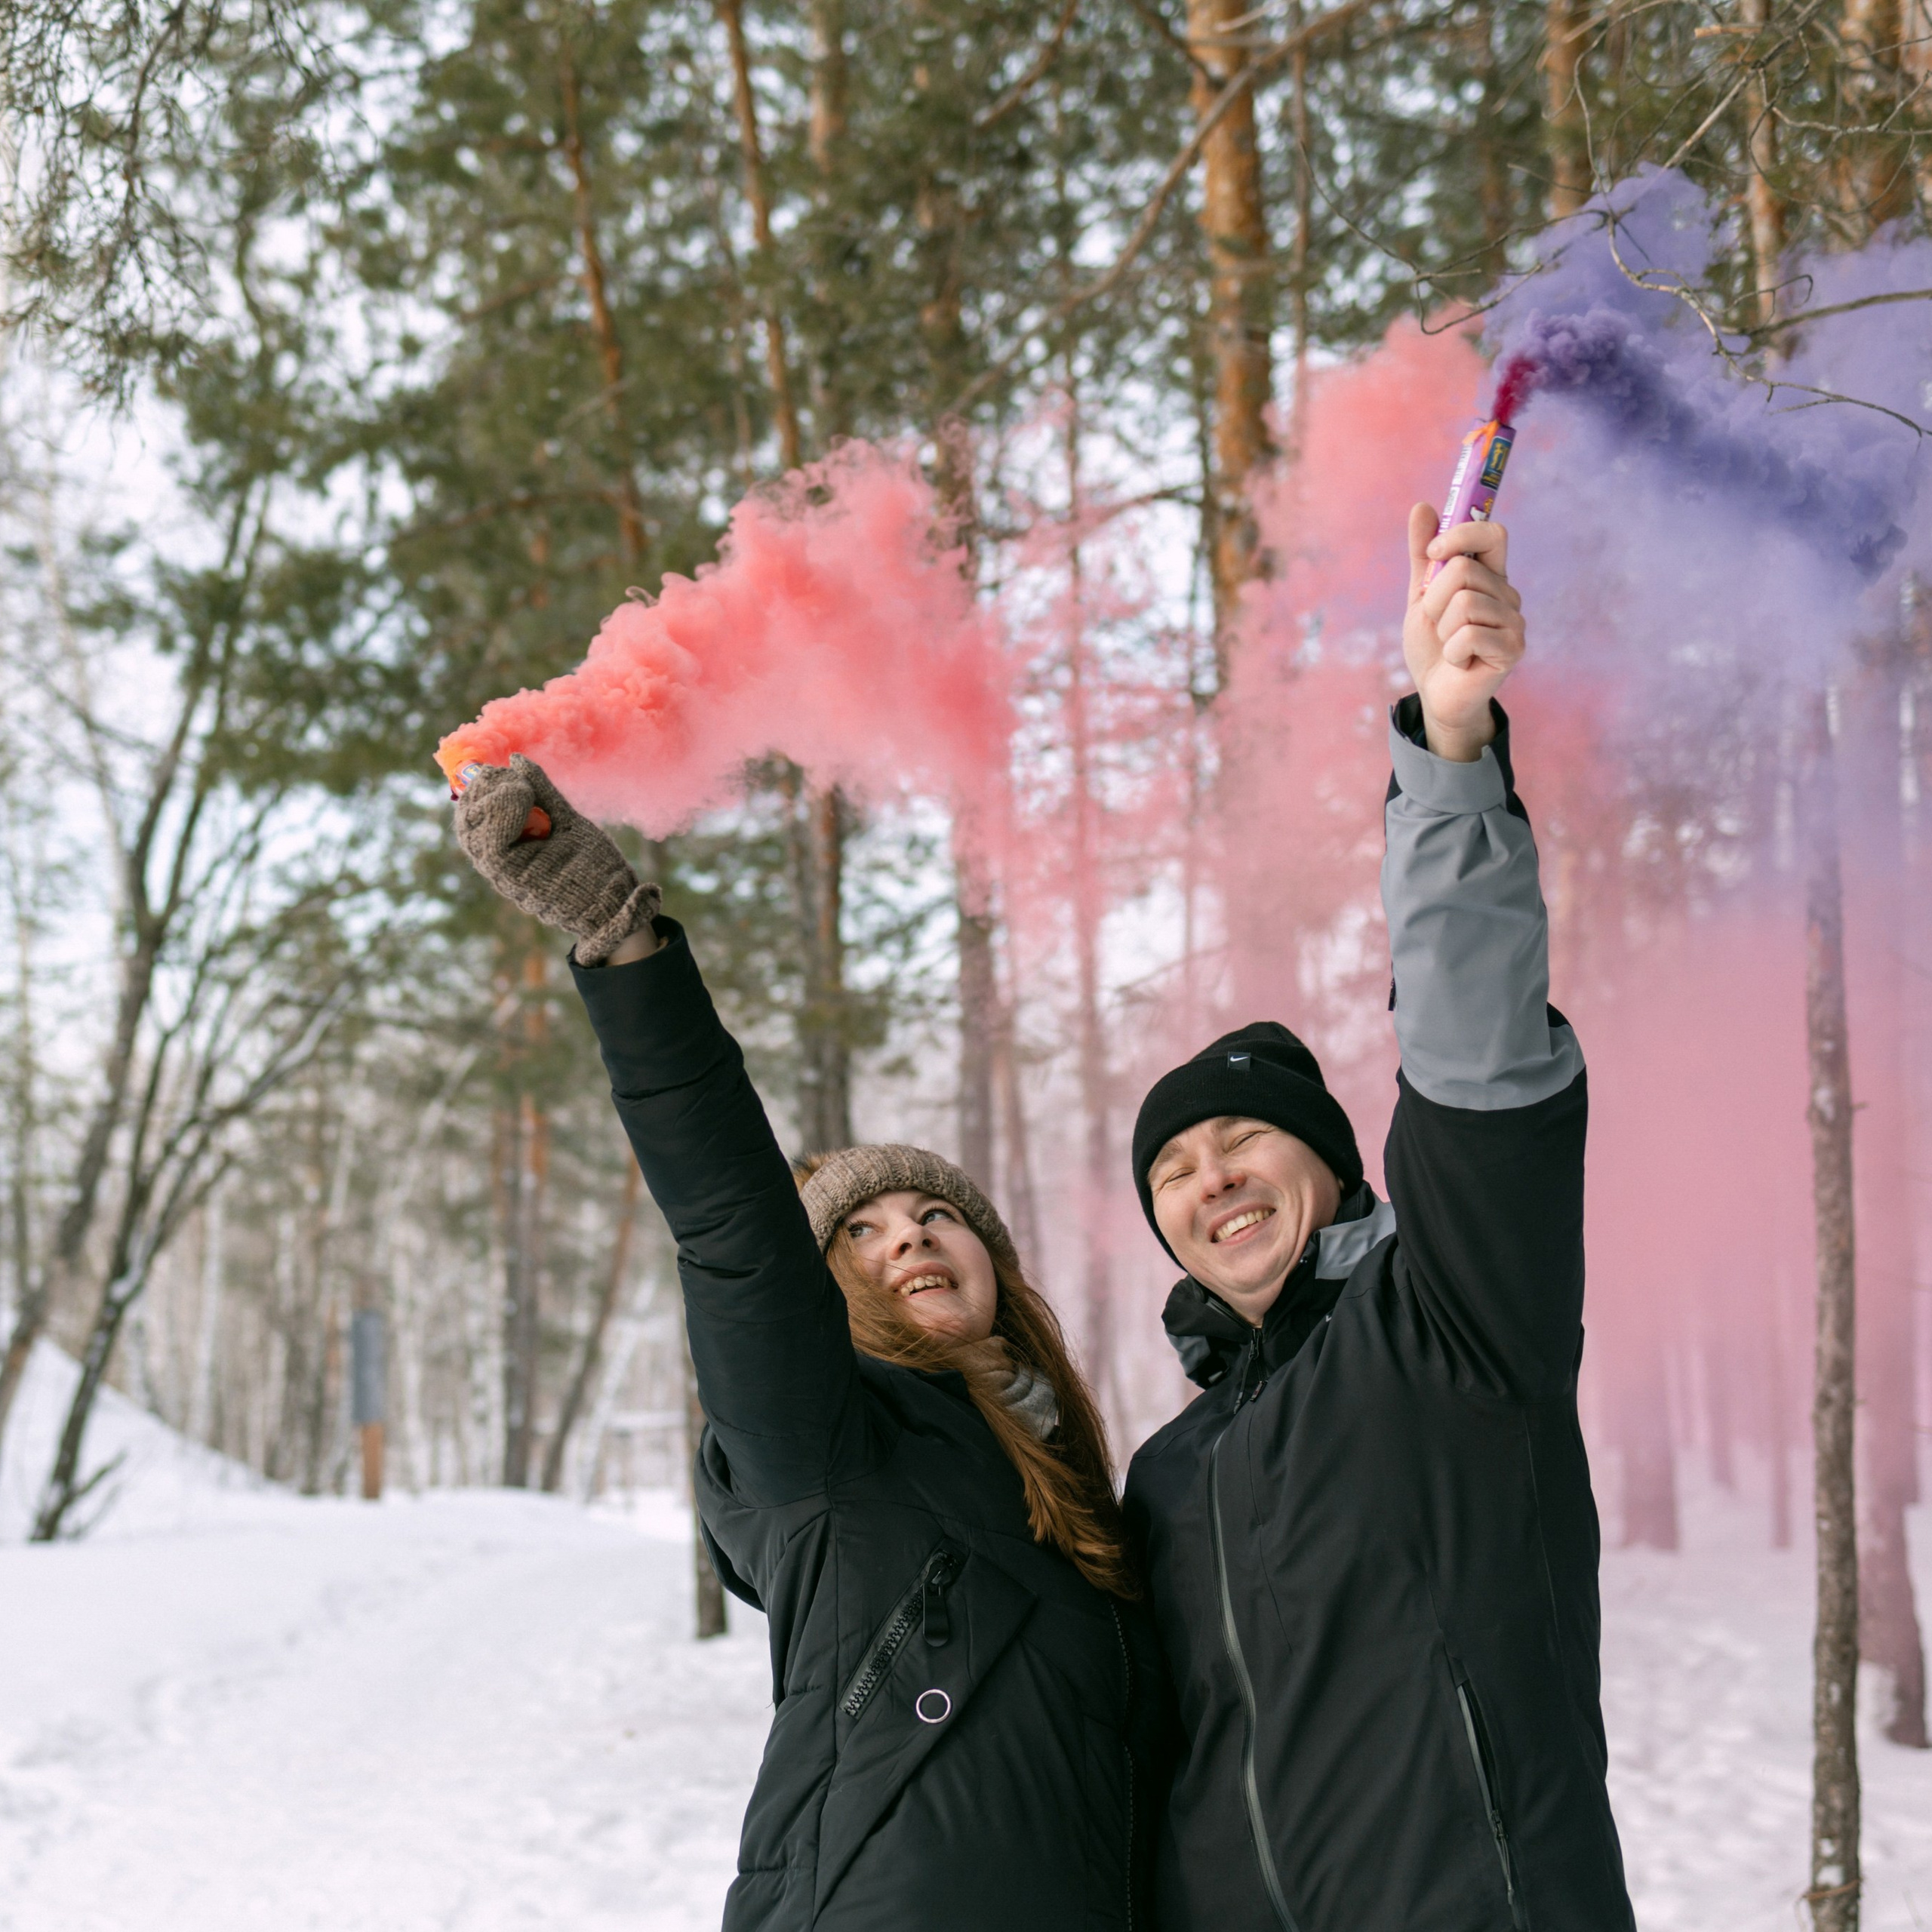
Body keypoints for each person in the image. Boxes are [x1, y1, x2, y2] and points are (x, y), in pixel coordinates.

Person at [453, 769, 1164, 1932]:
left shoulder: (1070, 1489)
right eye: (864, 1234)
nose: (914, 1238)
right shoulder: (829, 1445)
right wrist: (627, 949)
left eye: (939, 1218)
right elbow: (735, 1231)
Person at [1123, 507, 1635, 1932]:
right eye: (1173, 1172)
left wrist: (1446, 750)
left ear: (1338, 1173)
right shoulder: (1168, 1476)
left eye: (1242, 1142)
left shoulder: (1452, 1321)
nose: (1209, 1177)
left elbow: (1476, 1057)